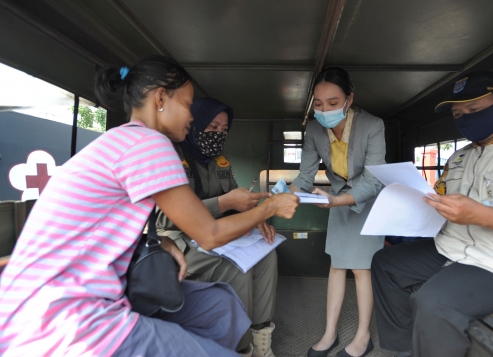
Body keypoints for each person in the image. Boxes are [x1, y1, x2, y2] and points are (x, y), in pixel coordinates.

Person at [0, 55, 299, 357]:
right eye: (186, 104)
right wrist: (269, 207)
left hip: (76, 292)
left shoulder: (125, 141)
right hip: (62, 314)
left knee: (221, 306)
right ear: (160, 98)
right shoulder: (149, 144)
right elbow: (209, 234)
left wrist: (152, 240)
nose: (192, 117)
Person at [371, 71, 493, 357]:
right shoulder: (459, 156)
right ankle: (404, 349)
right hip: (454, 248)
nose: (465, 118)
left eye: (474, 110)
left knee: (434, 302)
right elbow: (437, 195)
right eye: (458, 113)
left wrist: (478, 214)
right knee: (386, 263)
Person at [156, 97, 279, 357]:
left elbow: (237, 200)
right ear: (195, 123)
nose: (218, 136)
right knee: (237, 269)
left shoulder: (220, 161)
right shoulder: (171, 158)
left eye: (223, 131)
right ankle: (241, 347)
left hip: (217, 234)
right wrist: (222, 204)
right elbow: (165, 219)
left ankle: (261, 336)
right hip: (178, 242)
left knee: (267, 253)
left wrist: (256, 216)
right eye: (212, 128)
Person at [289, 67, 386, 357]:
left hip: (366, 202)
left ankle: (363, 337)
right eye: (318, 104)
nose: (324, 110)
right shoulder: (314, 128)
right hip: (337, 201)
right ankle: (330, 333)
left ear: (349, 99)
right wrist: (287, 195)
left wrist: (335, 201)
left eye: (332, 103)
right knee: (336, 265)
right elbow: (305, 176)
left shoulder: (373, 125)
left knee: (361, 269)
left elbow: (373, 179)